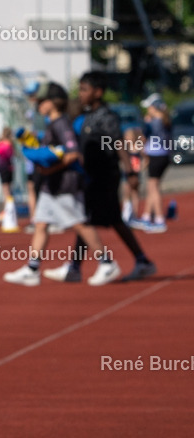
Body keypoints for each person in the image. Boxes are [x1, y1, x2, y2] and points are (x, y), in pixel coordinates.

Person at [3, 82, 120, 287]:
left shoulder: (61, 124)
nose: (37, 105)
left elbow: (73, 153)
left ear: (53, 102)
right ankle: (32, 268)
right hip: (52, 185)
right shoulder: (52, 123)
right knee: (41, 223)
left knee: (79, 223)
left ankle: (107, 262)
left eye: (41, 101)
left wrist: (49, 169)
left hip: (65, 184)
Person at [44, 71, 156, 283]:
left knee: (97, 219)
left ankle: (134, 262)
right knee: (90, 219)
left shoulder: (106, 117)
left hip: (105, 175)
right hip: (91, 175)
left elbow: (117, 143)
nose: (81, 94)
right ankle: (77, 266)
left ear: (98, 92)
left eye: (85, 90)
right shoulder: (87, 115)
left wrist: (130, 172)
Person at [135, 94, 170, 232]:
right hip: (163, 156)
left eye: (149, 107)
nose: (147, 109)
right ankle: (147, 215)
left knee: (153, 187)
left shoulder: (154, 122)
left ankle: (160, 219)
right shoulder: (166, 120)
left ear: (154, 108)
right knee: (152, 186)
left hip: (155, 156)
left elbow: (144, 137)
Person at [0, 126, 16, 227]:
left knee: (6, 191)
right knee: (7, 190)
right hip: (8, 168)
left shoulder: (4, 144)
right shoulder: (10, 144)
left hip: (4, 168)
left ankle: (7, 210)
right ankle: (8, 210)